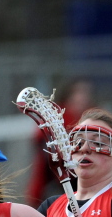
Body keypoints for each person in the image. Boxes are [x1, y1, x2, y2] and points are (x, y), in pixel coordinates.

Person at [26, 80, 94, 208]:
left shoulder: (91, 115)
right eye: (78, 93)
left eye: (85, 93)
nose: (82, 97)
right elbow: (41, 137)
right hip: (58, 164)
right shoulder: (59, 113)